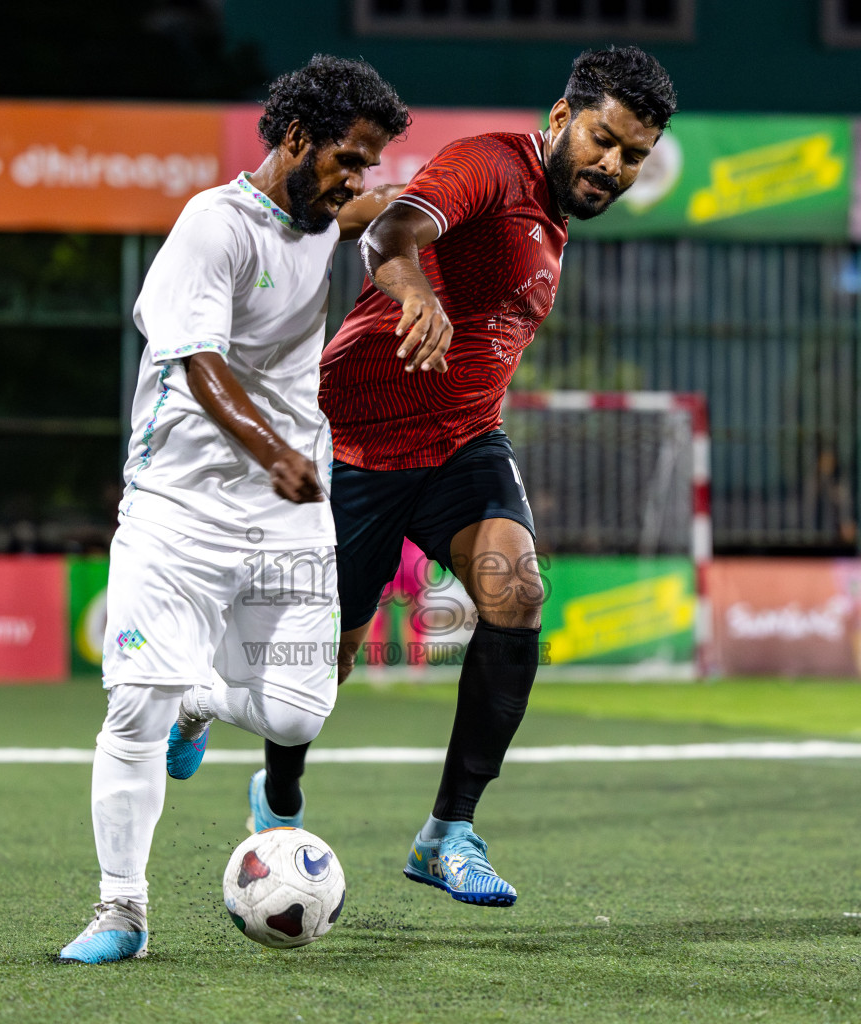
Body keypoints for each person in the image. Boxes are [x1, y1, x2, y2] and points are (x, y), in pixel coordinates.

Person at [246, 46, 676, 907]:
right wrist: (413, 294)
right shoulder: (490, 163)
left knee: (516, 593)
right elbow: (392, 231)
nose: (613, 165)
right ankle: (279, 794)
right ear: (562, 118)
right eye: (602, 140)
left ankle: (448, 833)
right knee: (325, 662)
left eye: (633, 155)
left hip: (463, 443)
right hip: (358, 444)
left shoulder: (554, 220)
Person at [57, 55, 410, 964]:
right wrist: (277, 453)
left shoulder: (326, 217)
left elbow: (385, 213)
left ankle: (201, 703)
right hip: (178, 510)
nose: (355, 178)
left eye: (367, 163)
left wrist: (422, 240)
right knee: (133, 703)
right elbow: (198, 366)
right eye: (348, 158)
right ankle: (122, 912)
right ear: (296, 139)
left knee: (298, 716)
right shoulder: (213, 228)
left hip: (288, 517)